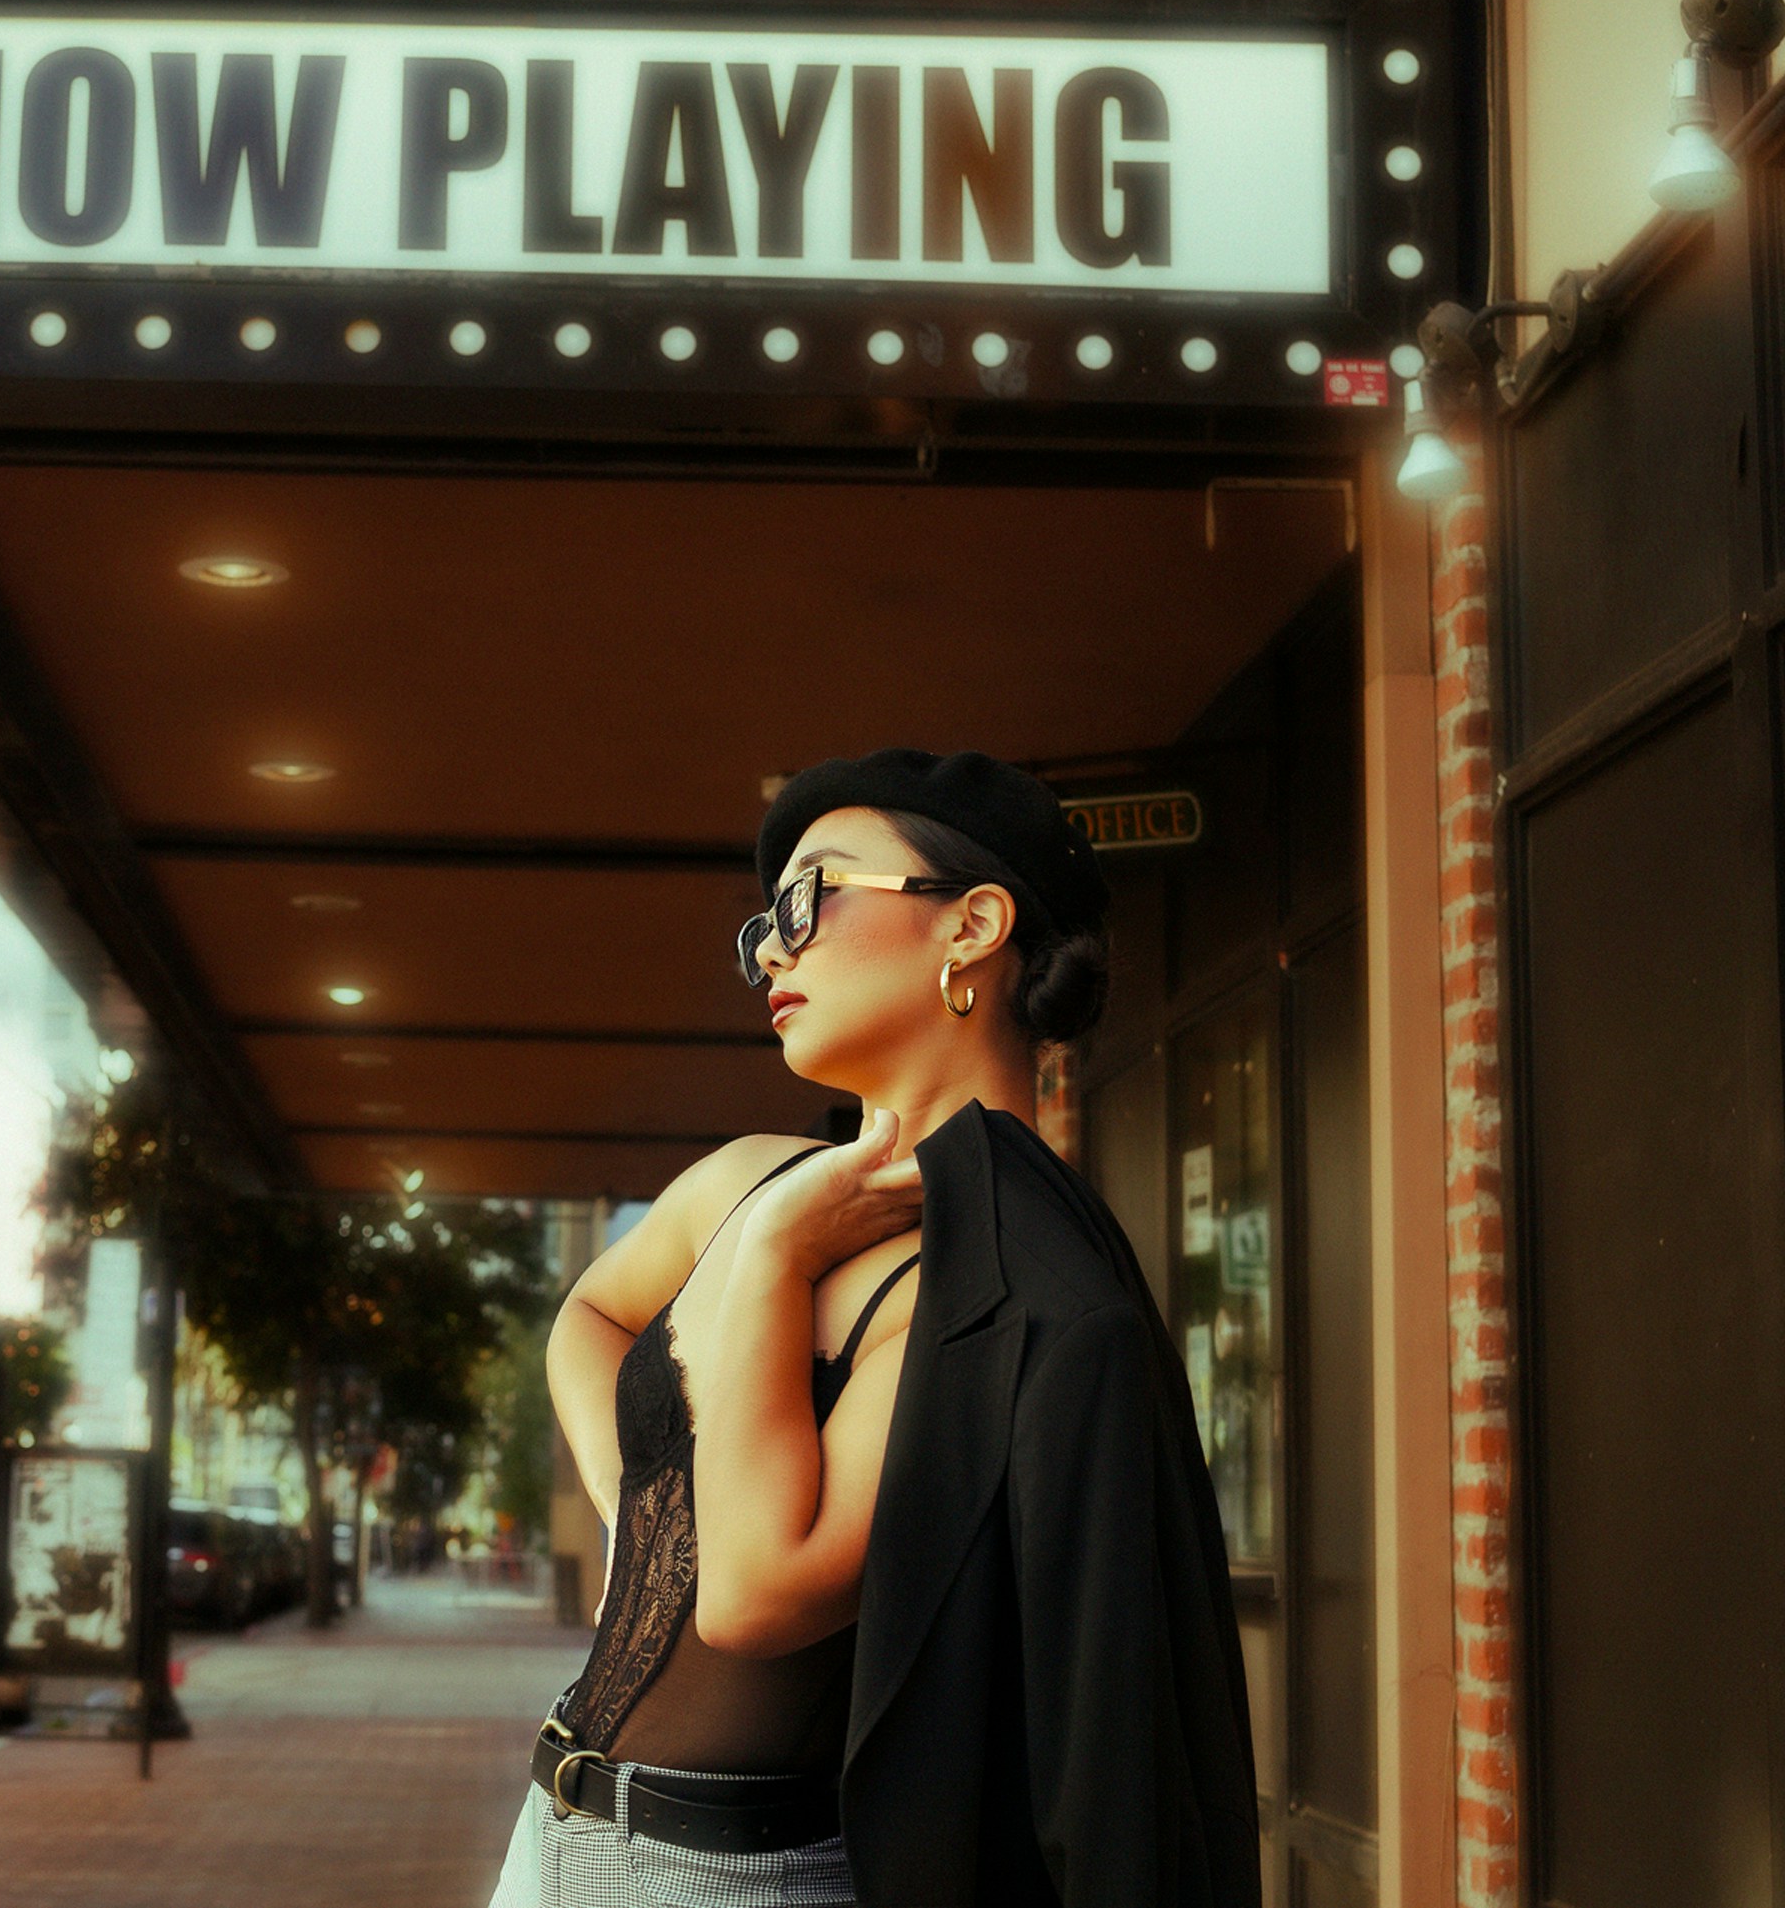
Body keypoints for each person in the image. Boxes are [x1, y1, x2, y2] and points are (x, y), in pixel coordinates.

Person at [488, 749, 1257, 1908]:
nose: (774, 947)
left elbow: (752, 1597)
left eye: (812, 894)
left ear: (972, 927)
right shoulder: (748, 1177)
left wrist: (780, 1257)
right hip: (550, 1823)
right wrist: (637, 1508)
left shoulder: (1001, 1290)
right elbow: (588, 1317)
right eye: (763, 925)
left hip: (734, 1875)